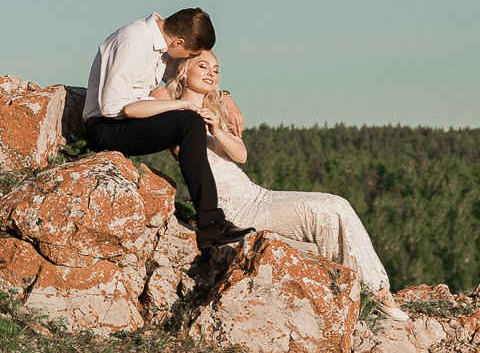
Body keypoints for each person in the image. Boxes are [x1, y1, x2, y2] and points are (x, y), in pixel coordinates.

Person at [166, 49, 410, 320]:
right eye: (203, 66)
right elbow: (157, 107)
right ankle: (375, 293)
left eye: (216, 69)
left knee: (334, 206)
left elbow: (242, 155)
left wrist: (218, 129)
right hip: (231, 211)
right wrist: (171, 101)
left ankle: (356, 292)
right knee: (330, 210)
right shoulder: (172, 112)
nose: (212, 73)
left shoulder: (214, 111)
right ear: (183, 72)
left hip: (256, 195)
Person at [82, 9, 252, 250]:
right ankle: (211, 222)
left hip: (129, 120)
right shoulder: (134, 42)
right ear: (179, 42)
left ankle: (212, 222)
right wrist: (174, 104)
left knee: (189, 120)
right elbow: (113, 108)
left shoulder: (161, 44)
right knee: (189, 120)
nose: (186, 58)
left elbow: (188, 75)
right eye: (189, 53)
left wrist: (225, 98)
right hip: (107, 127)